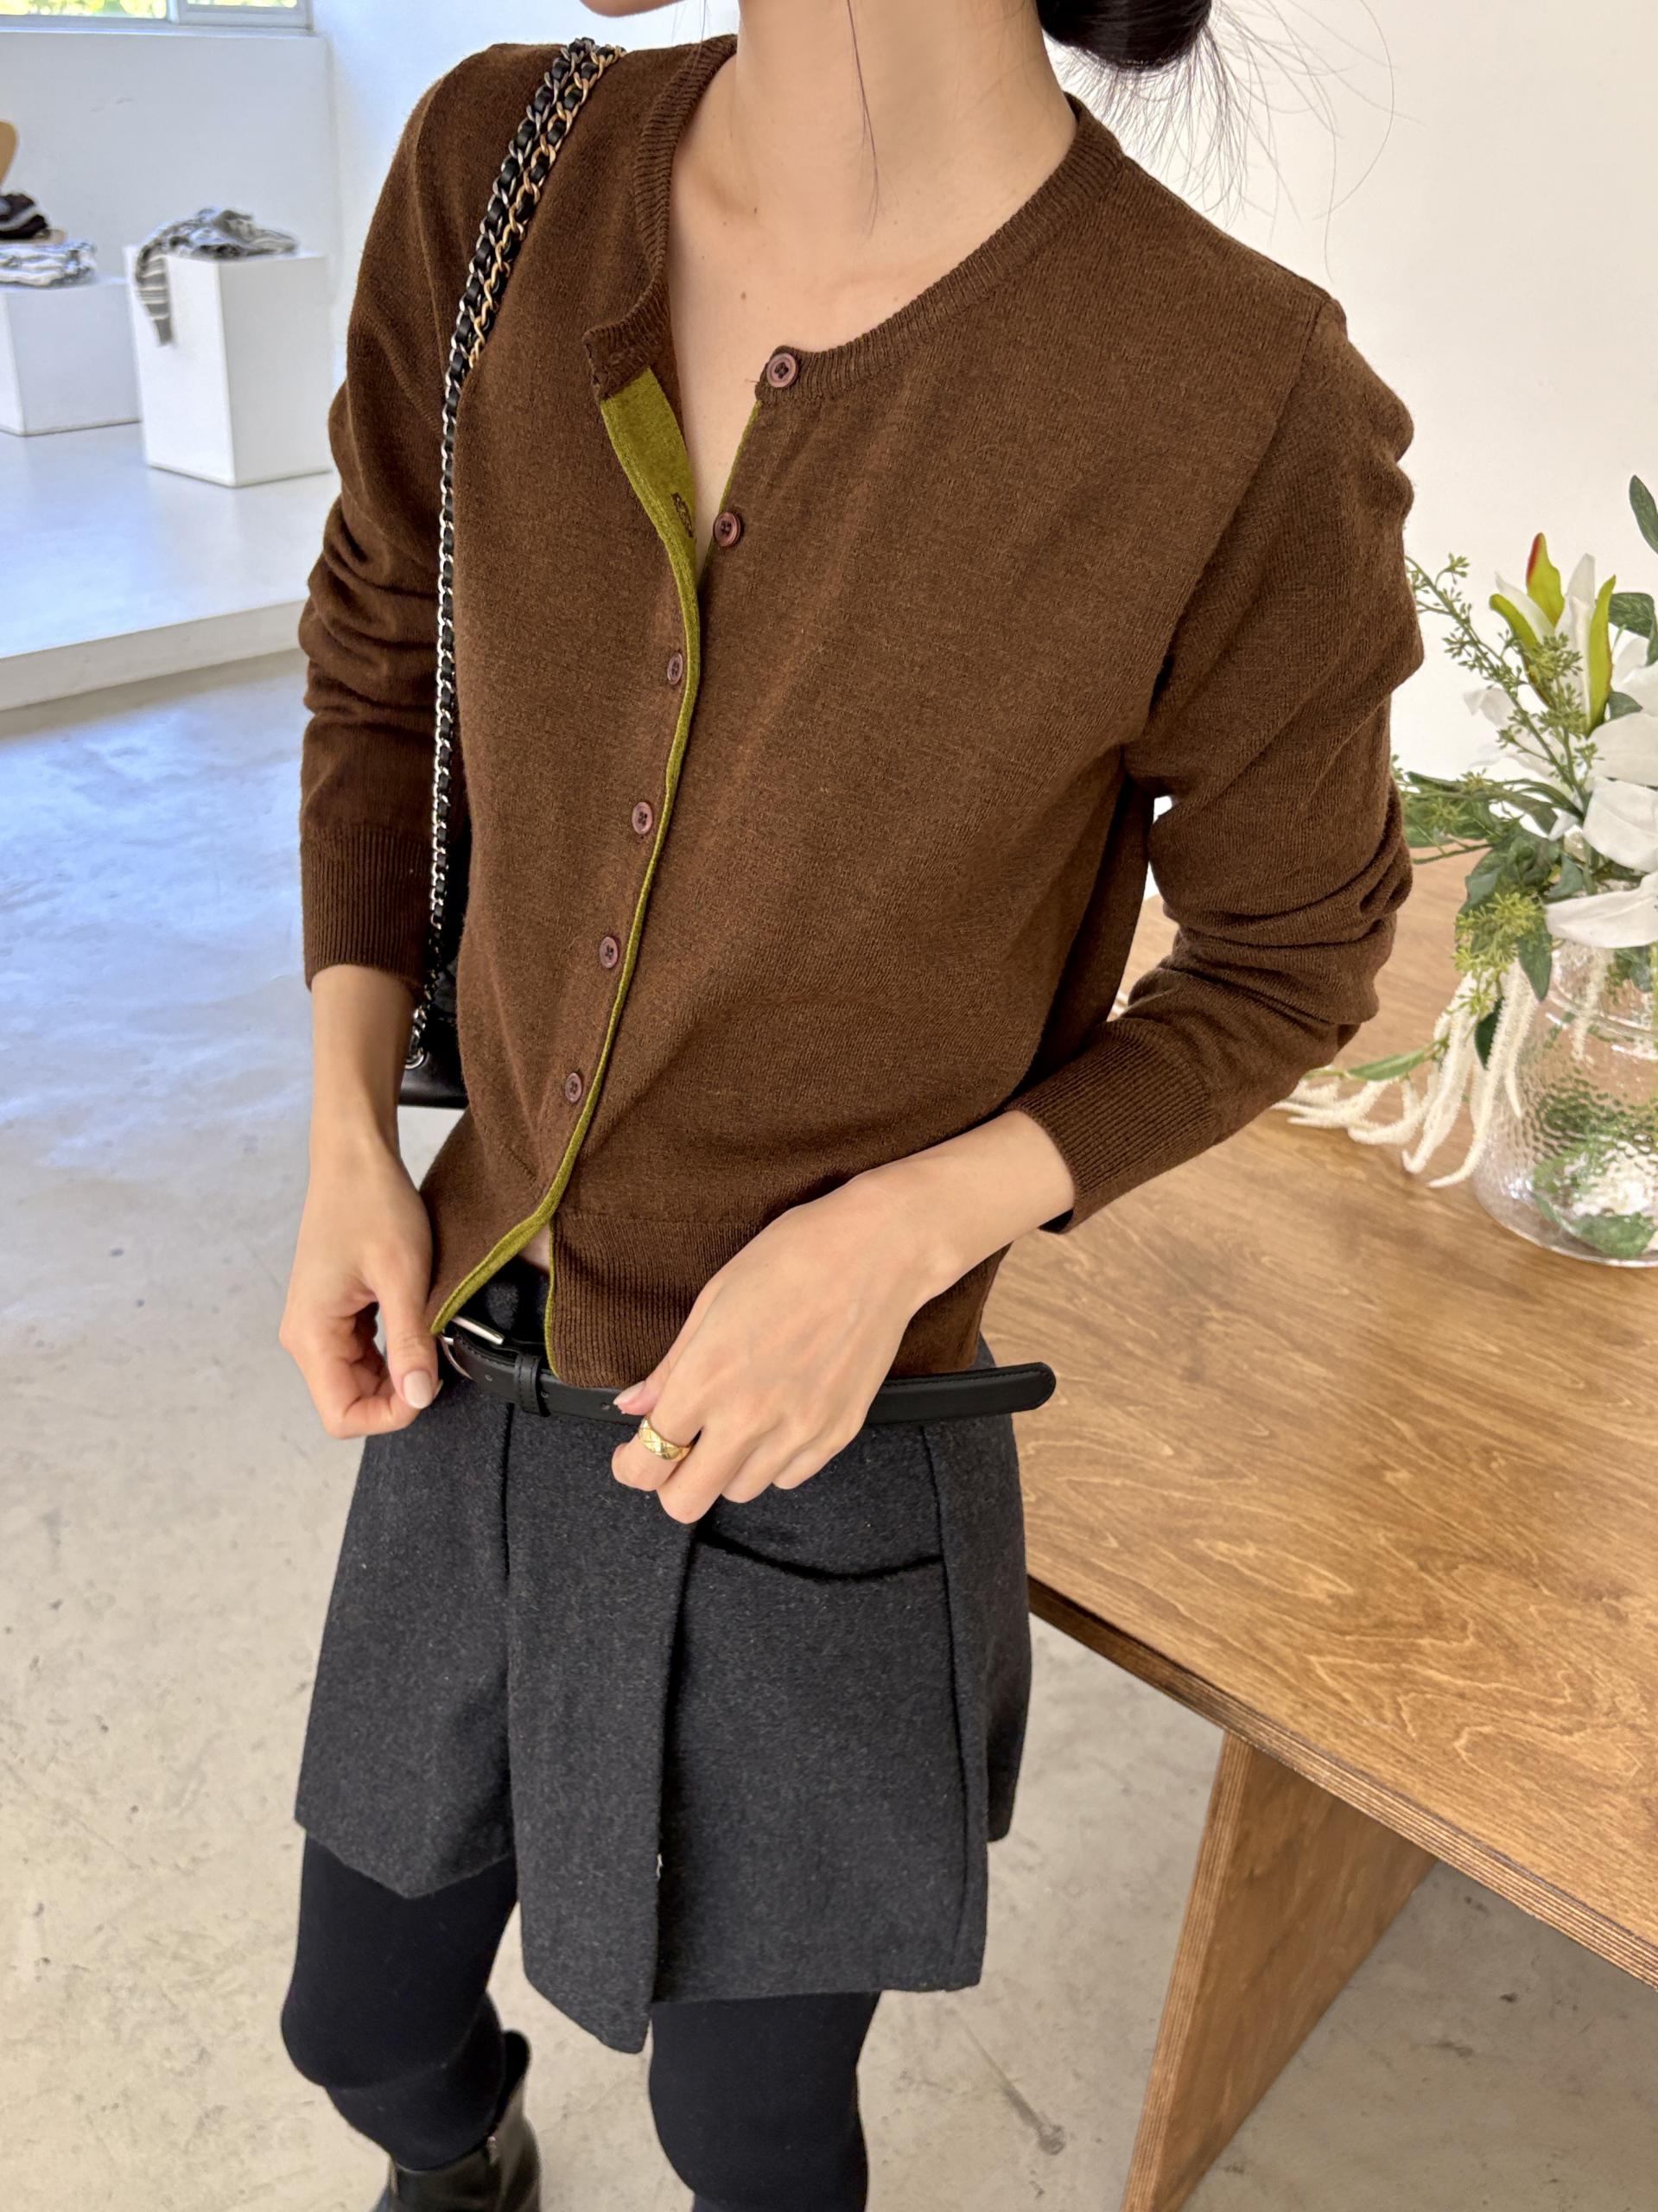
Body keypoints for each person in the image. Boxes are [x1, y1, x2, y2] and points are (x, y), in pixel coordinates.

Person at [276, 3, 1425, 2207]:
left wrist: (902, 1232)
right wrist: (347, 1119)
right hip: (474, 1356)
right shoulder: (499, 167)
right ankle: (460, 2153)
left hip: (832, 1427)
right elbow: (383, 635)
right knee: (362, 2019)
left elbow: (1295, 953)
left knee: (754, 2128)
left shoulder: (1233, 394)